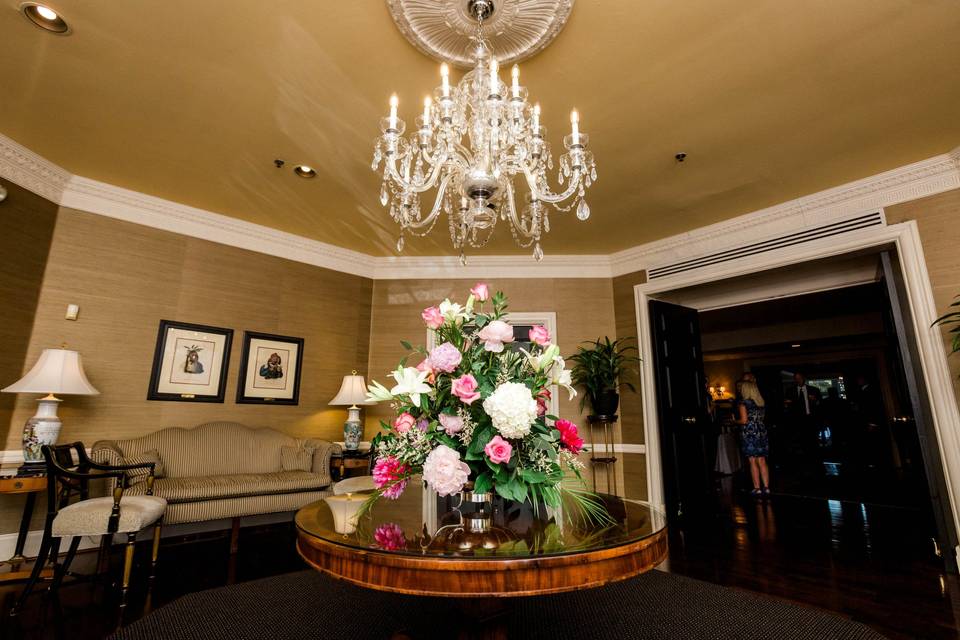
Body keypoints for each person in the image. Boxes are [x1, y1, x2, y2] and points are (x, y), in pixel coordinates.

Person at [736, 380, 770, 496]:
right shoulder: (761, 402)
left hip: (750, 433)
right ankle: (766, 487)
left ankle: (757, 488)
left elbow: (744, 420)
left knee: (752, 461)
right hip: (761, 431)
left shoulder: (743, 403)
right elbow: (761, 418)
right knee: (762, 460)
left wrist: (734, 420)